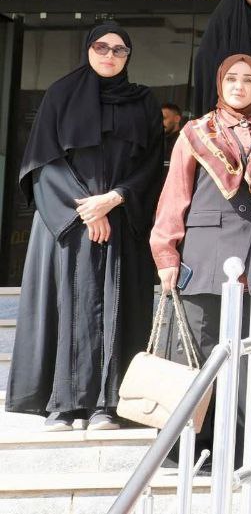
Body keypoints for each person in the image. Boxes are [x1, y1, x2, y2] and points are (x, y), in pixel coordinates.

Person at [7, 23, 163, 431]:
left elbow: (152, 163)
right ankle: (61, 403)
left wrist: (115, 199)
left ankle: (108, 404)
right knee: (66, 306)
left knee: (117, 309)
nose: (110, 55)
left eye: (119, 50)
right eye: (101, 47)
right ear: (88, 49)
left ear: (128, 56)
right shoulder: (60, 95)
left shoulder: (143, 101)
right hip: (67, 225)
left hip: (121, 221)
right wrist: (87, 211)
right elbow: (42, 163)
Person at [150, 54, 251, 453]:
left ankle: (236, 452)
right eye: (231, 78)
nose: (239, 86)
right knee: (194, 353)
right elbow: (174, 195)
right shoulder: (196, 132)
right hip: (203, 258)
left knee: (247, 359)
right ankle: (186, 450)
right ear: (220, 84)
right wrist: (166, 254)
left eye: (248, 80)